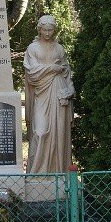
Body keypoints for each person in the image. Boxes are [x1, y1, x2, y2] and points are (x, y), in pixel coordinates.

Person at [24, 15, 74, 173]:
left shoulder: (59, 48)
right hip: (42, 93)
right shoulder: (33, 48)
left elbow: (66, 72)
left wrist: (69, 89)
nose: (47, 33)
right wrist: (52, 68)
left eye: (50, 30)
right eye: (44, 30)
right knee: (40, 131)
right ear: (39, 29)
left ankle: (57, 172)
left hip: (58, 92)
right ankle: (37, 172)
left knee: (58, 132)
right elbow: (32, 72)